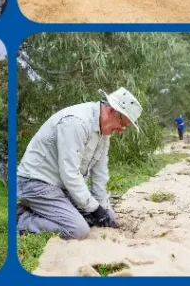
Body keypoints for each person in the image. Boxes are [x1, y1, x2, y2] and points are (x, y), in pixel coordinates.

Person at [17, 89, 142, 238]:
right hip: (37, 183)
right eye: (123, 123)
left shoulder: (104, 133)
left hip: (63, 187)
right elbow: (69, 174)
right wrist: (94, 209)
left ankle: (45, 210)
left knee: (109, 215)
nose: (121, 130)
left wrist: (102, 208)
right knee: (78, 230)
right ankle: (21, 218)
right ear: (111, 110)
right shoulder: (76, 122)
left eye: (126, 127)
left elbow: (100, 174)